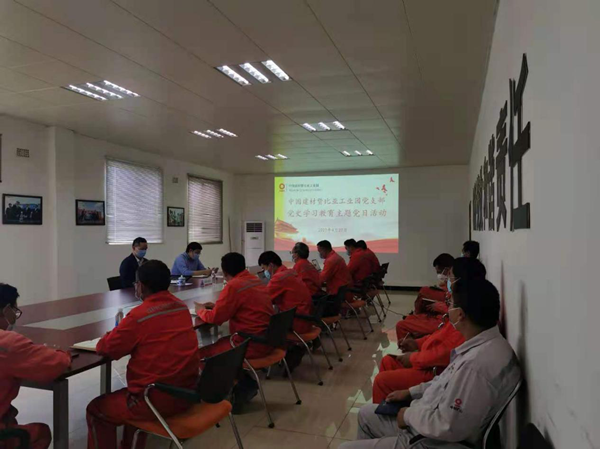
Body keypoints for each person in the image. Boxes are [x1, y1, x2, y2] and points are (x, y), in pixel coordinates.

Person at [341, 279, 521, 449]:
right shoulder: (483, 344)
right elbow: (444, 381)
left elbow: (446, 425)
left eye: (450, 304)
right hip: (427, 418)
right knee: (365, 413)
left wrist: (407, 415)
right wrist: (411, 392)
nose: (447, 309)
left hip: (429, 440)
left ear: (460, 314)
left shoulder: (475, 366)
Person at [86, 261, 200, 449]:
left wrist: (112, 333)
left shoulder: (139, 316)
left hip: (154, 400)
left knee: (96, 410)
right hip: (188, 391)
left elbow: (105, 348)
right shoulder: (181, 307)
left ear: (141, 286)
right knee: (135, 396)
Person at [373, 258, 487, 403]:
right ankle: (391, 406)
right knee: (387, 361)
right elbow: (440, 334)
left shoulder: (467, 313)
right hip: (428, 360)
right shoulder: (463, 302)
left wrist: (413, 358)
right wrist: (417, 343)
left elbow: (444, 353)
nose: (448, 281)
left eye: (450, 277)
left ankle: (385, 414)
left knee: (381, 381)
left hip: (435, 371)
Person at [0, 283, 71, 449]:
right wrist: (63, 353)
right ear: (7, 310)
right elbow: (56, 364)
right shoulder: (9, 343)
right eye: (15, 311)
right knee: (41, 433)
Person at [195, 252, 274, 360]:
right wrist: (218, 306)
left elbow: (215, 317)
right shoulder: (255, 280)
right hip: (268, 339)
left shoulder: (233, 286)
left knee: (201, 354)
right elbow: (245, 305)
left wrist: (200, 310)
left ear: (225, 272)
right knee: (220, 342)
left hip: (249, 345)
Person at [395, 254, 454, 340]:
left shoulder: (460, 285)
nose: (439, 275)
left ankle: (412, 346)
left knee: (401, 325)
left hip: (444, 319)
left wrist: (439, 306)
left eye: (439, 272)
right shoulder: (452, 283)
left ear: (448, 270)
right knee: (409, 318)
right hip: (439, 315)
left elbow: (458, 309)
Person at [259, 251, 313, 334]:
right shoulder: (289, 272)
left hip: (295, 322)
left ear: (271, 265)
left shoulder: (279, 278)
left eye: (264, 268)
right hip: (305, 318)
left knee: (259, 324)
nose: (264, 272)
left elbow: (264, 300)